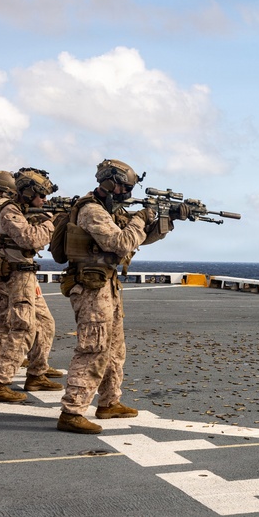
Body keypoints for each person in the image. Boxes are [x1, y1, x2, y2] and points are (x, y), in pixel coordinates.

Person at [56, 159, 182, 434]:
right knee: (93, 348)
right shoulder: (92, 210)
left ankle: (109, 402)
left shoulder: (109, 209)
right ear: (109, 182)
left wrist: (165, 221)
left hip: (106, 284)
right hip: (90, 286)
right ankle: (72, 411)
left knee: (115, 349)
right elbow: (121, 242)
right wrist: (142, 217)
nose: (127, 191)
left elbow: (138, 238)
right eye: (124, 186)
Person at [0, 168, 63, 402]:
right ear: (27, 192)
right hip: (17, 276)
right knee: (24, 328)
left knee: (45, 323)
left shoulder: (19, 209)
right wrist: (49, 222)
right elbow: (30, 239)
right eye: (41, 195)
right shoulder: (9, 211)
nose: (44, 200)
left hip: (20, 274)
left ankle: (36, 373)